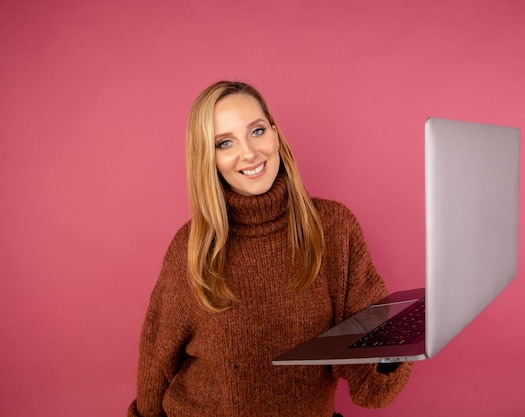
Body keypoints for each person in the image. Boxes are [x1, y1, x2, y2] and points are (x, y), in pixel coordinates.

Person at [128, 81, 413, 417]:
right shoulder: (191, 247)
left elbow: (373, 387)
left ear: (275, 135)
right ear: (209, 157)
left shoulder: (335, 229)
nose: (249, 153)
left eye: (257, 131)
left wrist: (400, 342)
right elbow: (156, 364)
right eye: (225, 142)